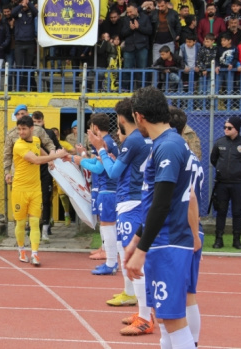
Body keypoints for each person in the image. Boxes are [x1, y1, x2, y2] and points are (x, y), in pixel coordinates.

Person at [124, 86, 197, 348]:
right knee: (166, 322)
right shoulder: (167, 143)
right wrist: (137, 240)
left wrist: (140, 249)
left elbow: (162, 202)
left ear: (139, 116)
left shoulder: (168, 146)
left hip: (169, 242)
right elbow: (156, 203)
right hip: (163, 240)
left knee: (174, 322)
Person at [87, 98, 154, 335]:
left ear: (123, 119)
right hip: (136, 199)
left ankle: (145, 317)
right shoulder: (143, 140)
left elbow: (114, 173)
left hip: (130, 202)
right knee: (133, 258)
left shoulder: (133, 140)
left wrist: (101, 150)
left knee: (133, 259)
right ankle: (143, 312)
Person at [169, 106, 205, 348]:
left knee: (176, 300)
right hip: (192, 226)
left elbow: (189, 196)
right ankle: (193, 342)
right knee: (189, 295)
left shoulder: (174, 156)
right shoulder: (194, 157)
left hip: (180, 230)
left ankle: (187, 343)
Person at [12, 116, 67, 266]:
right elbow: (35, 160)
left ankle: (35, 253)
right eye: (19, 129)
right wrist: (57, 156)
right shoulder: (18, 145)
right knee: (21, 223)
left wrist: (49, 159)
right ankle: (22, 249)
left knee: (35, 221)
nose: (21, 132)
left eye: (24, 129)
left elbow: (40, 151)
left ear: (31, 129)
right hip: (20, 189)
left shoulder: (36, 140)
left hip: (35, 189)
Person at [71, 114, 119, 276]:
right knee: (107, 224)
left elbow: (99, 168)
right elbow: (97, 162)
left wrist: (81, 160)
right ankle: (110, 259)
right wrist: (75, 158)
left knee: (107, 225)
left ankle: (111, 260)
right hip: (106, 188)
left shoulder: (106, 143)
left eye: (90, 128)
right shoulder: (108, 142)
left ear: (95, 128)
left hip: (107, 189)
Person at [210, 116, 241, 249]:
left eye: (229, 128)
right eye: (225, 127)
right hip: (222, 183)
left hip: (238, 183)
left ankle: (237, 240)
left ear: (237, 129)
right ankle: (218, 239)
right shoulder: (219, 143)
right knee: (221, 211)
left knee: (237, 212)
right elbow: (214, 160)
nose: (226, 130)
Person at [3, 104, 56, 185]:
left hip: (37, 171)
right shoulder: (11, 134)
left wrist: (51, 155)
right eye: (17, 114)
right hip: (19, 173)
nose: (20, 116)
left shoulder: (37, 129)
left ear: (27, 114)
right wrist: (7, 172)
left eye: (22, 113)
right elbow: (7, 154)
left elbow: (49, 143)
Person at [31, 111, 62, 239]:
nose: (37, 125)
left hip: (47, 170)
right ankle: (32, 226)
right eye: (34, 122)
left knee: (46, 199)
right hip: (32, 170)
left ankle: (45, 228)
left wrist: (57, 156)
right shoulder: (28, 134)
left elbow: (57, 147)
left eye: (39, 122)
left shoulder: (49, 133)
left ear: (43, 121)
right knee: (32, 199)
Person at [121, 3, 153, 89]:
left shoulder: (145, 17)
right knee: (127, 70)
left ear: (136, 10)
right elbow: (123, 33)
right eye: (128, 12)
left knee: (142, 70)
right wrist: (130, 29)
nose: (129, 14)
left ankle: (141, 90)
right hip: (129, 48)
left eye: (131, 12)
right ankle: (125, 90)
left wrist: (139, 27)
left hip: (142, 47)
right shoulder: (125, 19)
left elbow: (149, 31)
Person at [11, 0, 37, 91]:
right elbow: (12, 13)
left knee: (28, 67)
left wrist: (28, 3)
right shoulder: (17, 11)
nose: (25, 4)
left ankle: (27, 87)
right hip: (19, 43)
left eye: (26, 2)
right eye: (23, 2)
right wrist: (21, 5)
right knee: (18, 67)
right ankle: (18, 87)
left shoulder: (31, 12)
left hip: (30, 43)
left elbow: (36, 12)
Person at [51, 127, 75, 226]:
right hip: (50, 172)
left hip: (61, 173)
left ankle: (66, 214)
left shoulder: (63, 144)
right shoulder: (47, 144)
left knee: (63, 195)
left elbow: (74, 151)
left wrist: (65, 154)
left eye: (56, 134)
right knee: (49, 196)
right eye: (53, 134)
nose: (55, 136)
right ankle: (50, 218)